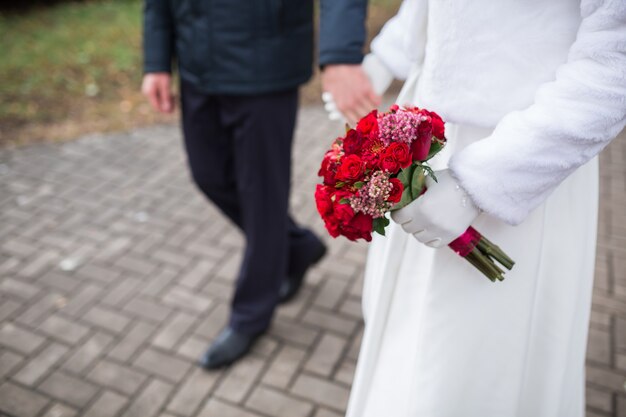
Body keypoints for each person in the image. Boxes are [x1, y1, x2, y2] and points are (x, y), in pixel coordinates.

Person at [320, 0, 626, 416]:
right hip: (428, 129)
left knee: (471, 370)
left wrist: (478, 183)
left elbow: (614, 58)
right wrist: (384, 58)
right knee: (403, 346)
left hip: (523, 159)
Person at [141, 0, 329, 369]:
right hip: (197, 63)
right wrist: (156, 61)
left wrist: (339, 56)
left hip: (264, 62)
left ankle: (250, 315)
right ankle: (299, 246)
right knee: (208, 174)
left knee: (262, 197)